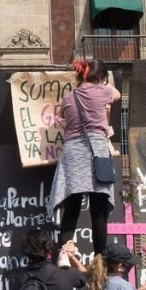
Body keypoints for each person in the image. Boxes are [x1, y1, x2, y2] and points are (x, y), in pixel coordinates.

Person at [47, 58, 122, 255]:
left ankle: (65, 252)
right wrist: (104, 83)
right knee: (99, 209)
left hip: (73, 152)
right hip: (97, 150)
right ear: (101, 77)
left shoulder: (68, 97)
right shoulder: (102, 91)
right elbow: (117, 94)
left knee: (72, 203)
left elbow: (62, 115)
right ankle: (100, 258)